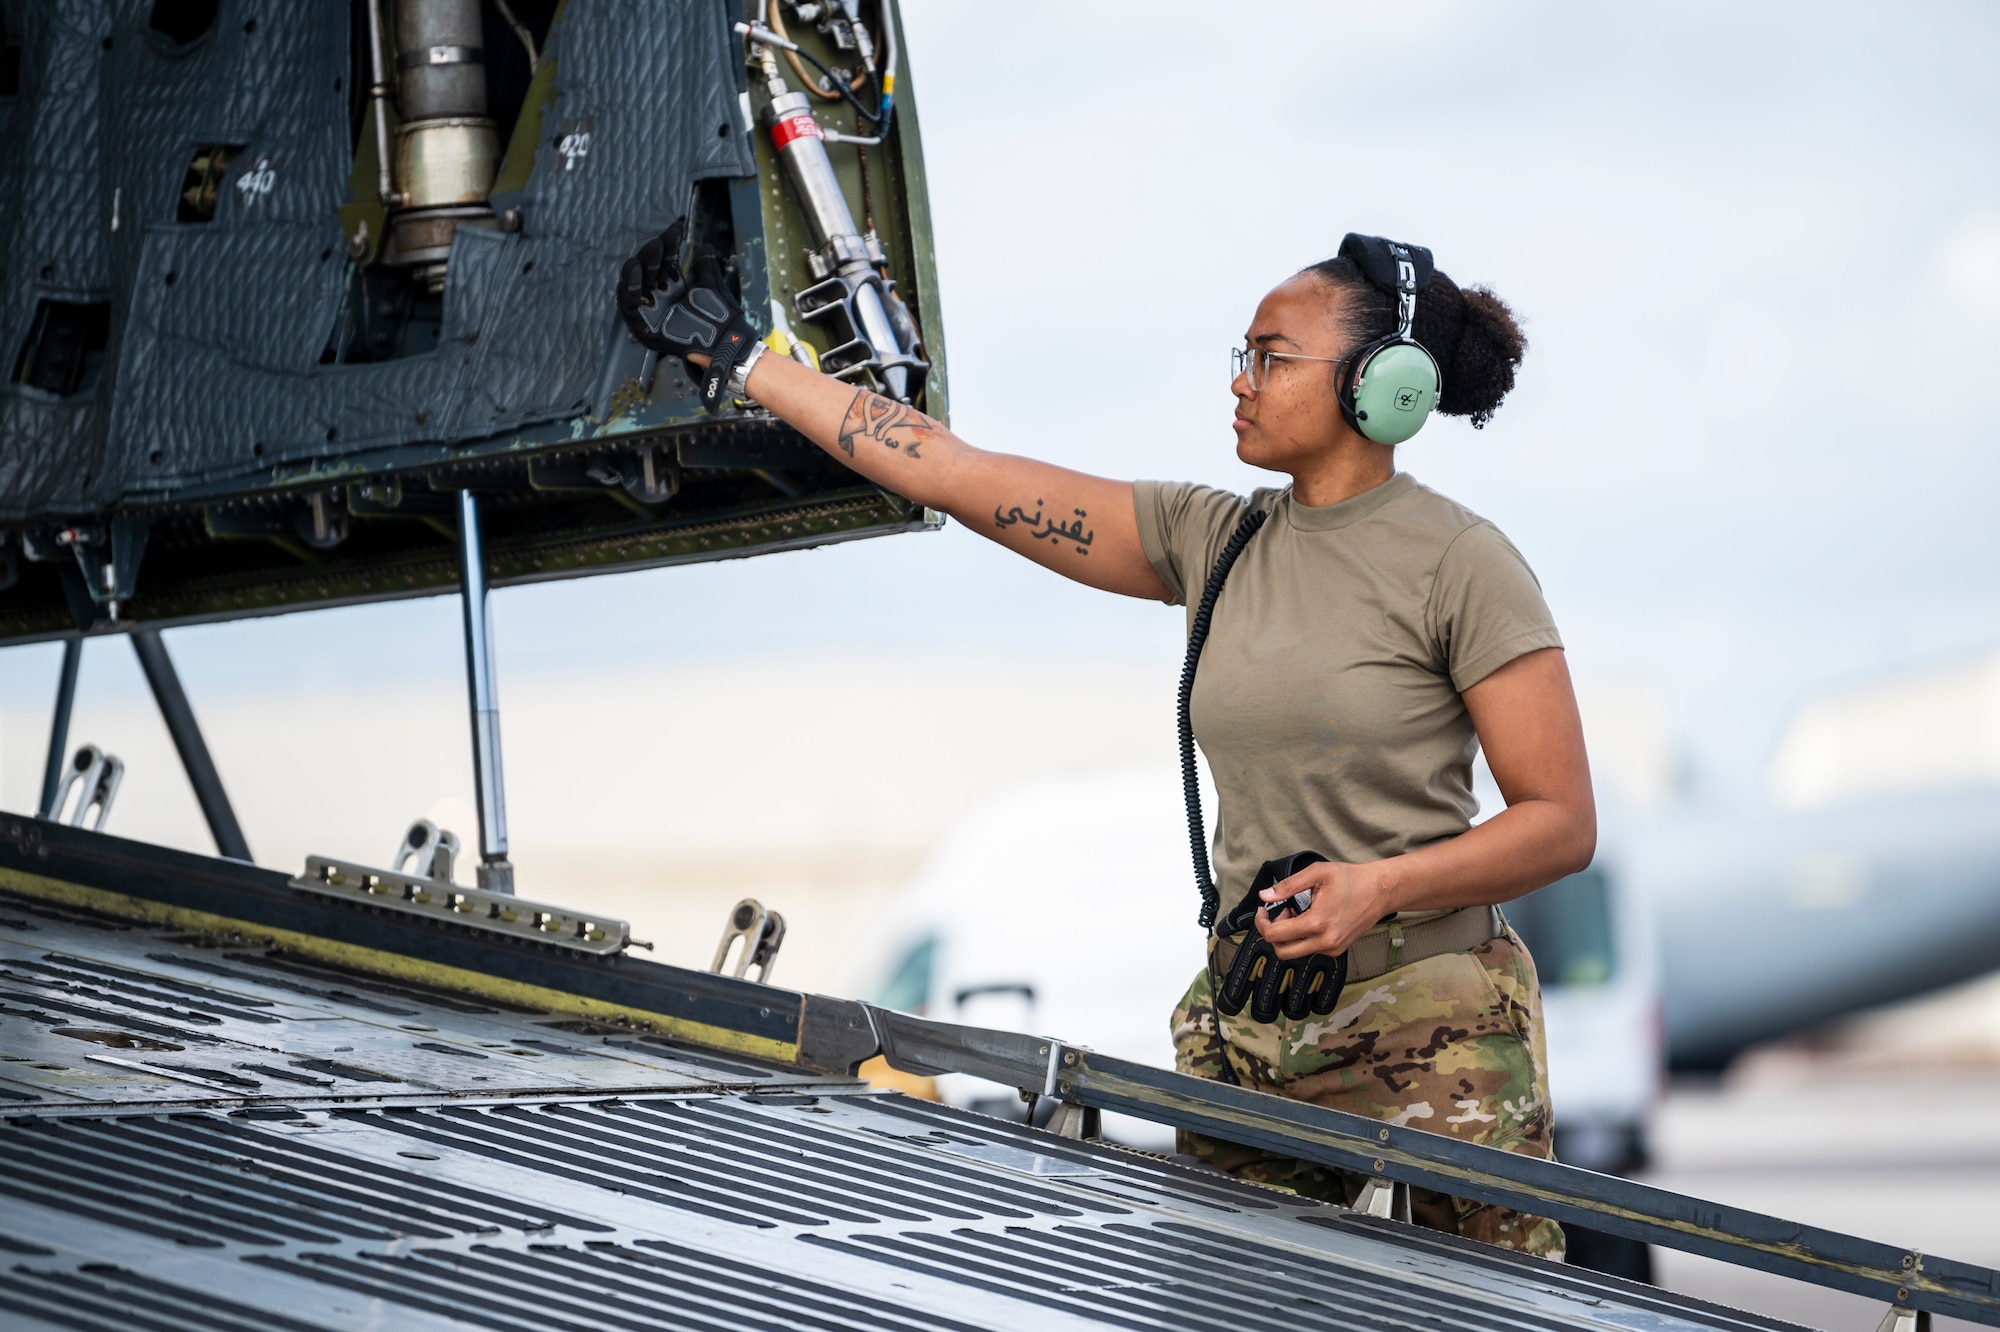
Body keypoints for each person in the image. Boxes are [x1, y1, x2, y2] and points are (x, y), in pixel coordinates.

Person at [618, 230, 1595, 1258]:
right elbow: (951, 471)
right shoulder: (1210, 538)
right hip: (1249, 1022)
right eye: (1241, 356)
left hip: (1431, 1028)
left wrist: (1379, 886)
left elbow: (1558, 823)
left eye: (1270, 357)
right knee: (1230, 1304)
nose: (1240, 382)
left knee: (1492, 1309)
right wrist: (738, 359)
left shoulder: (1461, 563)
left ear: (1379, 385)